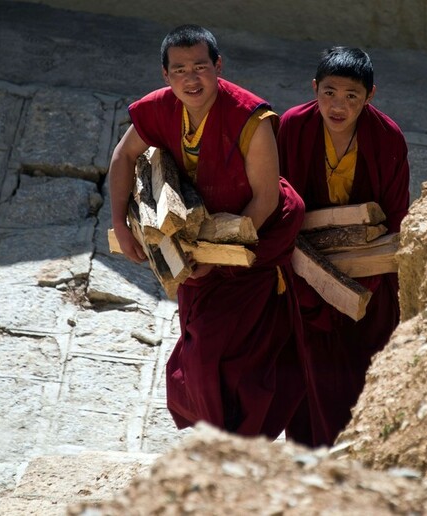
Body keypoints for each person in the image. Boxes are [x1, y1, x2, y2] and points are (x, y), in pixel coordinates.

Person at [108, 24, 308, 438]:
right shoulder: (160, 108)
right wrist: (119, 225)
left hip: (252, 237)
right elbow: (123, 157)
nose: (190, 78)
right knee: (203, 341)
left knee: (228, 349)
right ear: (166, 75)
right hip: (196, 237)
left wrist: (214, 261)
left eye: (200, 67)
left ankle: (239, 436)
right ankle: (218, 435)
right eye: (179, 69)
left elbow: (265, 201)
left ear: (218, 66)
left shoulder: (249, 117)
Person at [277, 46, 410, 446]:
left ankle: (362, 452)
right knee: (308, 371)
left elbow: (396, 215)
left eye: (351, 96)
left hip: (366, 273)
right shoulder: (293, 126)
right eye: (329, 92)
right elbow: (277, 196)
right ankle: (310, 457)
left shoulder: (387, 137)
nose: (338, 105)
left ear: (370, 97)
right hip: (305, 268)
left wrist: (361, 274)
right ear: (314, 88)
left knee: (362, 368)